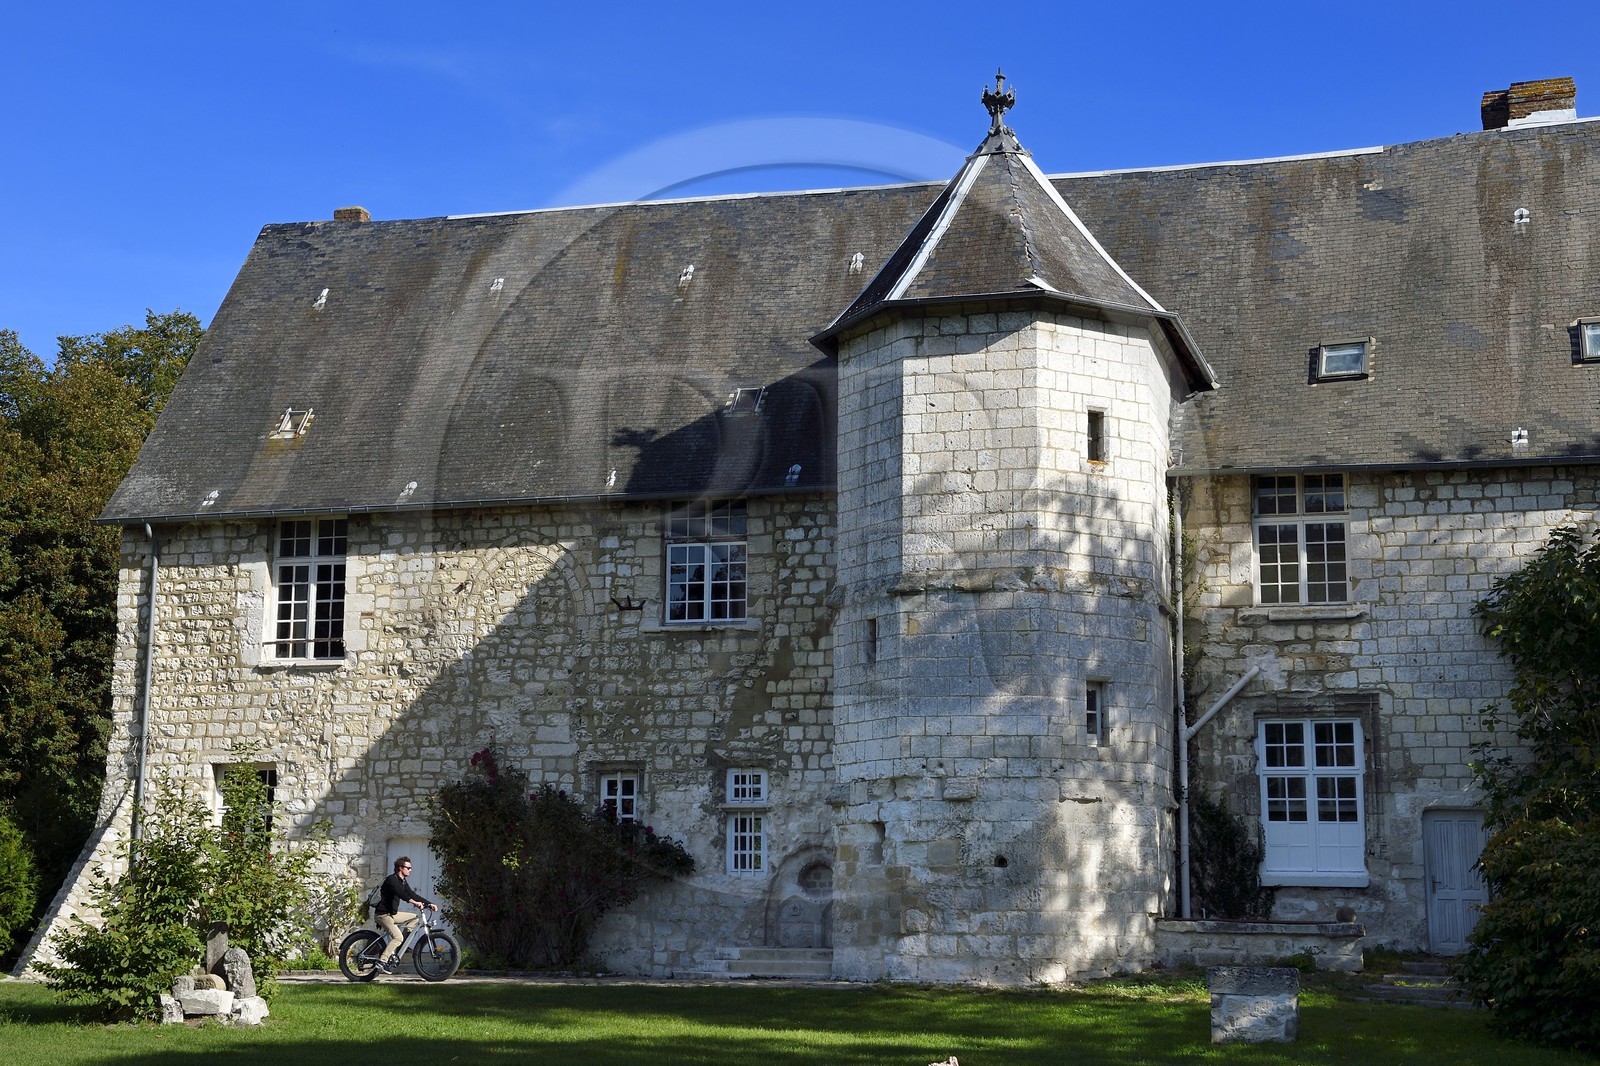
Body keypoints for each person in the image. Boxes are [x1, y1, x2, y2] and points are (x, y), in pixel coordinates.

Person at [375, 856, 439, 972]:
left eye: (411, 868)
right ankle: (382, 961)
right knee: (397, 937)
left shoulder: (403, 881)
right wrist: (414, 903)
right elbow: (401, 894)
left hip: (392, 914)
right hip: (383, 915)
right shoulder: (391, 880)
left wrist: (429, 903)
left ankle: (400, 945)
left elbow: (412, 894)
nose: (411, 870)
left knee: (415, 918)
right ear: (400, 868)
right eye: (408, 868)